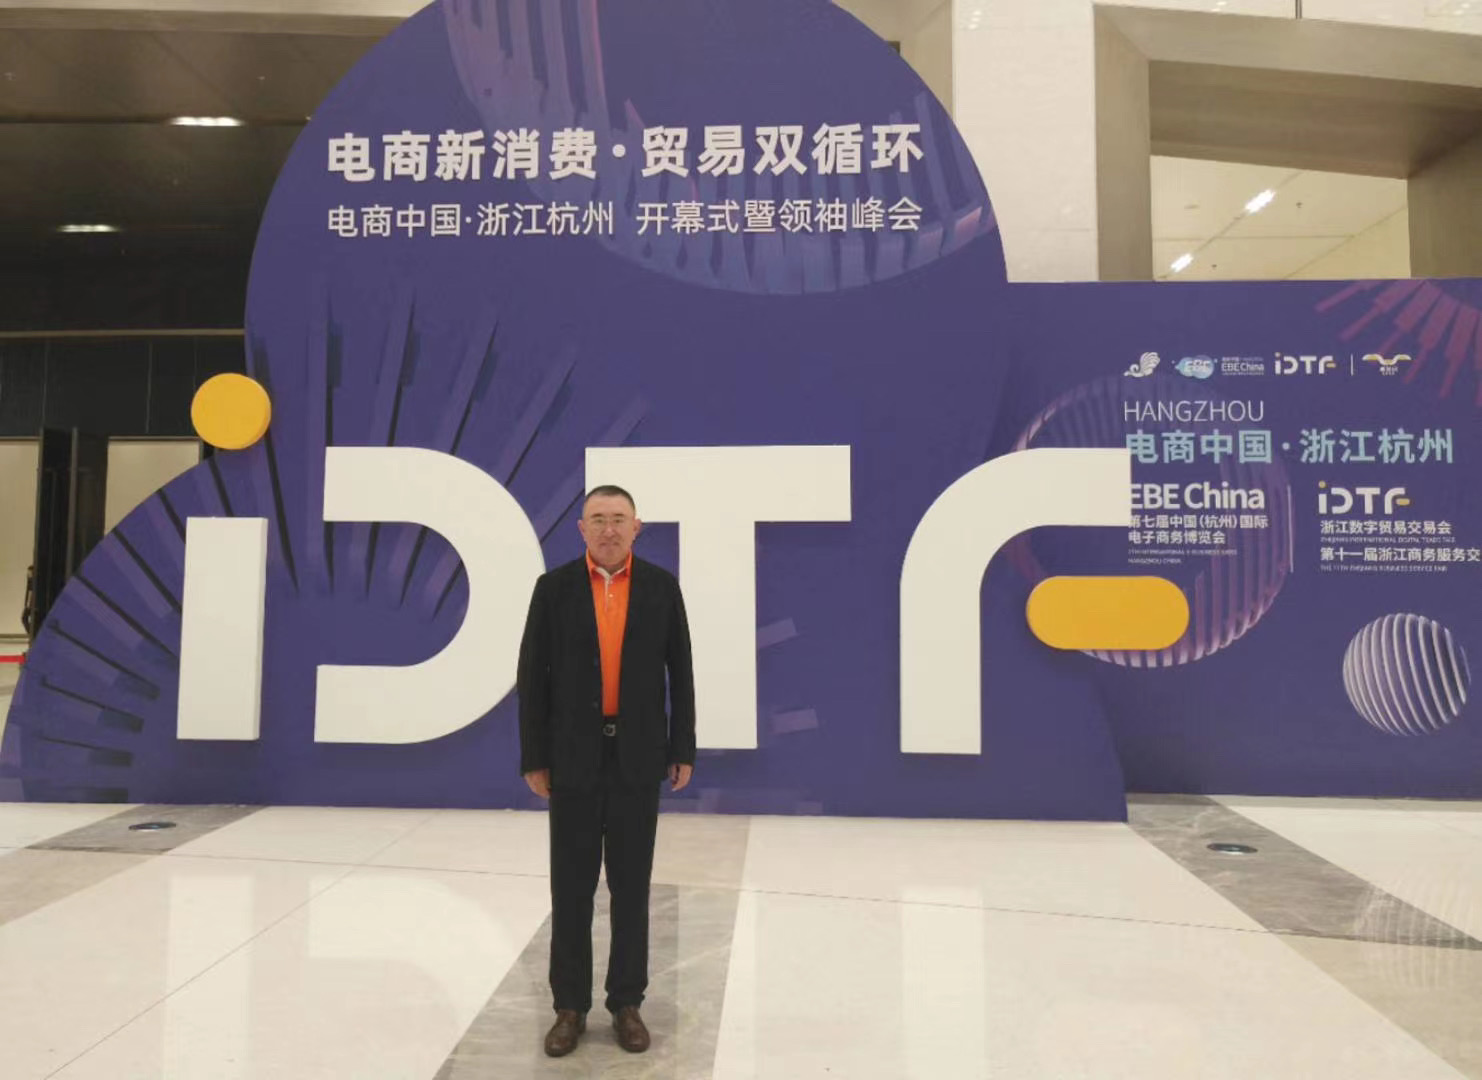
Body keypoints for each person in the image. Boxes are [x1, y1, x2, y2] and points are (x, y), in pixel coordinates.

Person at [517, 484, 696, 1057]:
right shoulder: (553, 589)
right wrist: (534, 756)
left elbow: (681, 672)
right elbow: (533, 678)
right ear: (582, 529)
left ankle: (626, 1003)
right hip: (572, 760)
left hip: (638, 760)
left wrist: (682, 747)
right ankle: (569, 1007)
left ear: (636, 527)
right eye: (598, 518)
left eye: (619, 518)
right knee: (571, 887)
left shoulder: (662, 588)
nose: (609, 528)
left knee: (631, 887)